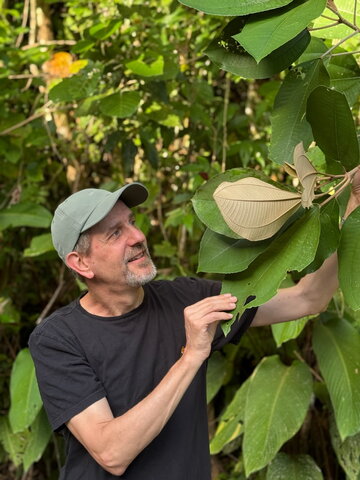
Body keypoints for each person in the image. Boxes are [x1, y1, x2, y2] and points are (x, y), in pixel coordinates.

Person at [29, 173, 360, 480]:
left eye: (131, 222)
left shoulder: (186, 298)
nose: (138, 236)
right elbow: (112, 453)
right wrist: (191, 356)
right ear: (81, 263)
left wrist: (354, 204)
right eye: (115, 233)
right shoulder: (57, 339)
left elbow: (306, 299)